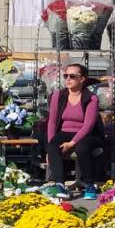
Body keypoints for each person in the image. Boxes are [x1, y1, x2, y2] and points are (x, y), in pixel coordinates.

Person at [44, 63, 102, 199]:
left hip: (86, 134)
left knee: (82, 147)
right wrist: (49, 146)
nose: (68, 79)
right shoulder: (58, 96)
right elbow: (52, 122)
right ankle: (59, 184)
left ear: (82, 79)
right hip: (65, 131)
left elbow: (88, 124)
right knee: (52, 144)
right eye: (66, 76)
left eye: (72, 76)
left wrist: (72, 143)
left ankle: (89, 185)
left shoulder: (91, 98)